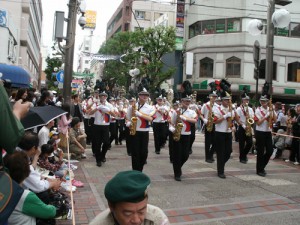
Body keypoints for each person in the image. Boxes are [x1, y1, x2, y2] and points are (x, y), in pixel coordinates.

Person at [89, 170, 169, 225]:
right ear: (111, 207)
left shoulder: (157, 218)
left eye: (141, 211)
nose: (136, 220)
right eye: (128, 213)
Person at [4, 151, 56, 225]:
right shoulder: (24, 195)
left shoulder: (4, 189)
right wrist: (52, 207)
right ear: (27, 172)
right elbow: (50, 212)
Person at [168, 96, 197, 181]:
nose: (187, 103)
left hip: (186, 134)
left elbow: (195, 120)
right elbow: (172, 122)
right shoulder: (176, 111)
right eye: (185, 101)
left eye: (188, 101)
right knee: (177, 154)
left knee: (185, 155)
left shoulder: (191, 112)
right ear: (182, 101)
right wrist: (172, 129)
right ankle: (177, 173)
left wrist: (185, 118)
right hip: (177, 134)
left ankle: (177, 167)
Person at [126, 89, 155, 171]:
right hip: (134, 131)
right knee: (135, 153)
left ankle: (140, 168)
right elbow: (127, 118)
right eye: (143, 95)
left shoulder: (150, 107)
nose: (145, 96)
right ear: (139, 96)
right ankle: (136, 171)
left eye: (147, 95)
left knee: (144, 153)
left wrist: (139, 114)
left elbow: (150, 119)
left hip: (144, 132)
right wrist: (128, 123)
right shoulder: (131, 107)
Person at [213, 92, 236, 179]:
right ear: (222, 101)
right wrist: (225, 116)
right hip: (220, 132)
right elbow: (216, 121)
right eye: (226, 100)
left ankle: (221, 164)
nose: (228, 102)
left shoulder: (231, 109)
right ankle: (220, 171)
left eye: (229, 100)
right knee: (220, 152)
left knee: (229, 151)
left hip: (228, 132)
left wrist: (233, 126)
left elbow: (232, 121)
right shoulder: (217, 109)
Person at [254, 95, 277, 177]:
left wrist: (273, 110)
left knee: (270, 151)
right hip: (260, 132)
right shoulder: (258, 110)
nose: (264, 103)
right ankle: (259, 170)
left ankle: (262, 166)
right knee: (260, 151)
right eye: (262, 101)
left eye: (265, 101)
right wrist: (266, 115)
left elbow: (275, 119)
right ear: (260, 102)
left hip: (268, 132)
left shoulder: (270, 109)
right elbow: (258, 123)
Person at [89, 91, 114, 167]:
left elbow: (114, 114)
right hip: (97, 125)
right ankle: (98, 160)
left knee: (106, 143)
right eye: (101, 96)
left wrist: (107, 110)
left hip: (106, 125)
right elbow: (90, 113)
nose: (103, 97)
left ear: (106, 97)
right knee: (97, 143)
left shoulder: (109, 105)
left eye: (104, 96)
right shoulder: (96, 104)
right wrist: (97, 108)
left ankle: (103, 155)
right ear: (99, 97)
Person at [199, 91, 218, 163]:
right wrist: (204, 119)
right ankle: (207, 157)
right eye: (213, 96)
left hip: (215, 124)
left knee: (215, 141)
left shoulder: (217, 106)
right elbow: (200, 114)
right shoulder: (205, 105)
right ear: (210, 97)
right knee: (207, 142)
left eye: (215, 97)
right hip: (208, 124)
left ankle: (211, 154)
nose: (214, 98)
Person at [236, 93, 254, 164]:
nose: (247, 101)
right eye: (246, 99)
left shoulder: (250, 109)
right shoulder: (239, 109)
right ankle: (242, 158)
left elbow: (252, 117)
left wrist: (249, 117)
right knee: (241, 144)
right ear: (242, 100)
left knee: (250, 143)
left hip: (248, 126)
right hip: (242, 127)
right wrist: (243, 126)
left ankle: (244, 154)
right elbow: (237, 119)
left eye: (248, 100)